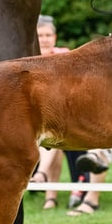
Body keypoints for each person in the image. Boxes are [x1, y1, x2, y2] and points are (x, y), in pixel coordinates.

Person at [29, 15, 71, 209]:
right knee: (55, 136)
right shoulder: (29, 58)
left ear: (54, 37)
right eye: (41, 35)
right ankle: (50, 195)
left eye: (48, 35)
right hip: (34, 118)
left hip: (65, 114)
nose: (45, 39)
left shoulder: (64, 56)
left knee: (55, 132)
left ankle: (42, 176)